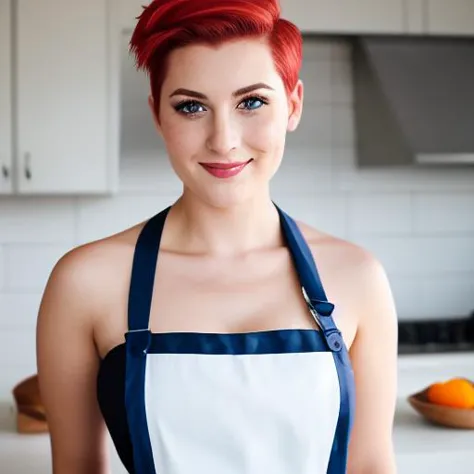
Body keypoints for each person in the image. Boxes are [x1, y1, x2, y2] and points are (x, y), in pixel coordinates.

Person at [36, 0, 398, 473]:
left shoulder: (357, 277)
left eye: (251, 102)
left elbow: (370, 465)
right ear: (157, 116)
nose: (222, 139)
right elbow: (77, 468)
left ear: (293, 105)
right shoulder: (85, 282)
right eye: (191, 106)